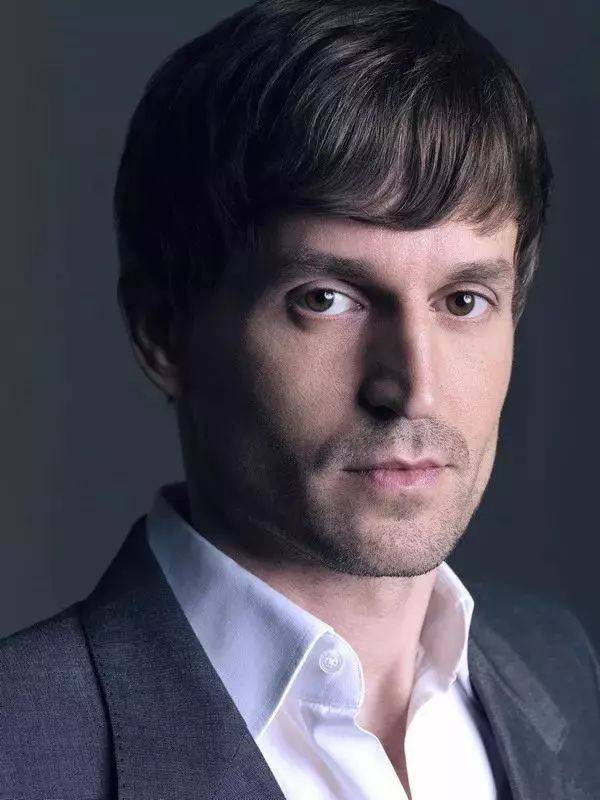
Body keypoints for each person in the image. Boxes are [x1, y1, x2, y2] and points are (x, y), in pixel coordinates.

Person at [2, 0, 599, 797]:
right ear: (163, 333)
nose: (412, 387)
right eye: (325, 299)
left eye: (463, 301)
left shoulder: (563, 671)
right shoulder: (21, 746)